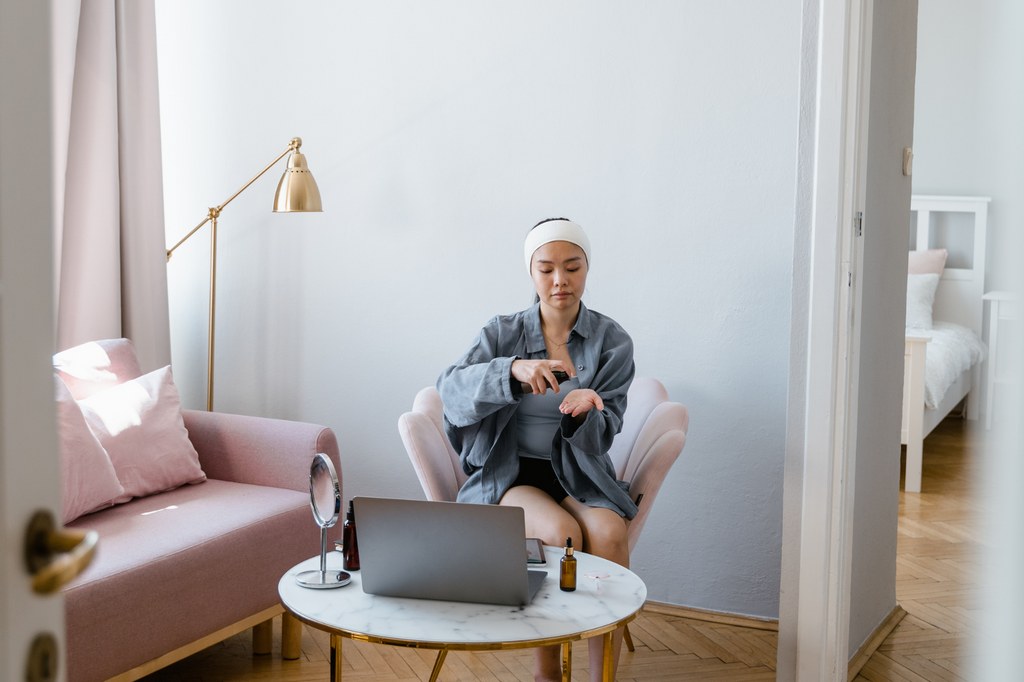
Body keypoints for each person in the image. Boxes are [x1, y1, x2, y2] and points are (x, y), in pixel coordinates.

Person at [437, 218, 636, 682]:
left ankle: (599, 673)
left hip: (579, 471)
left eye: (572, 267)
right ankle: (548, 671)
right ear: (532, 273)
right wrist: (512, 372)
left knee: (608, 533)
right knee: (560, 533)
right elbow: (450, 390)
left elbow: (608, 432)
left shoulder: (613, 341)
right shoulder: (501, 332)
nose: (559, 280)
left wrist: (588, 412)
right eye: (546, 269)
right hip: (512, 472)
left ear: (587, 269)